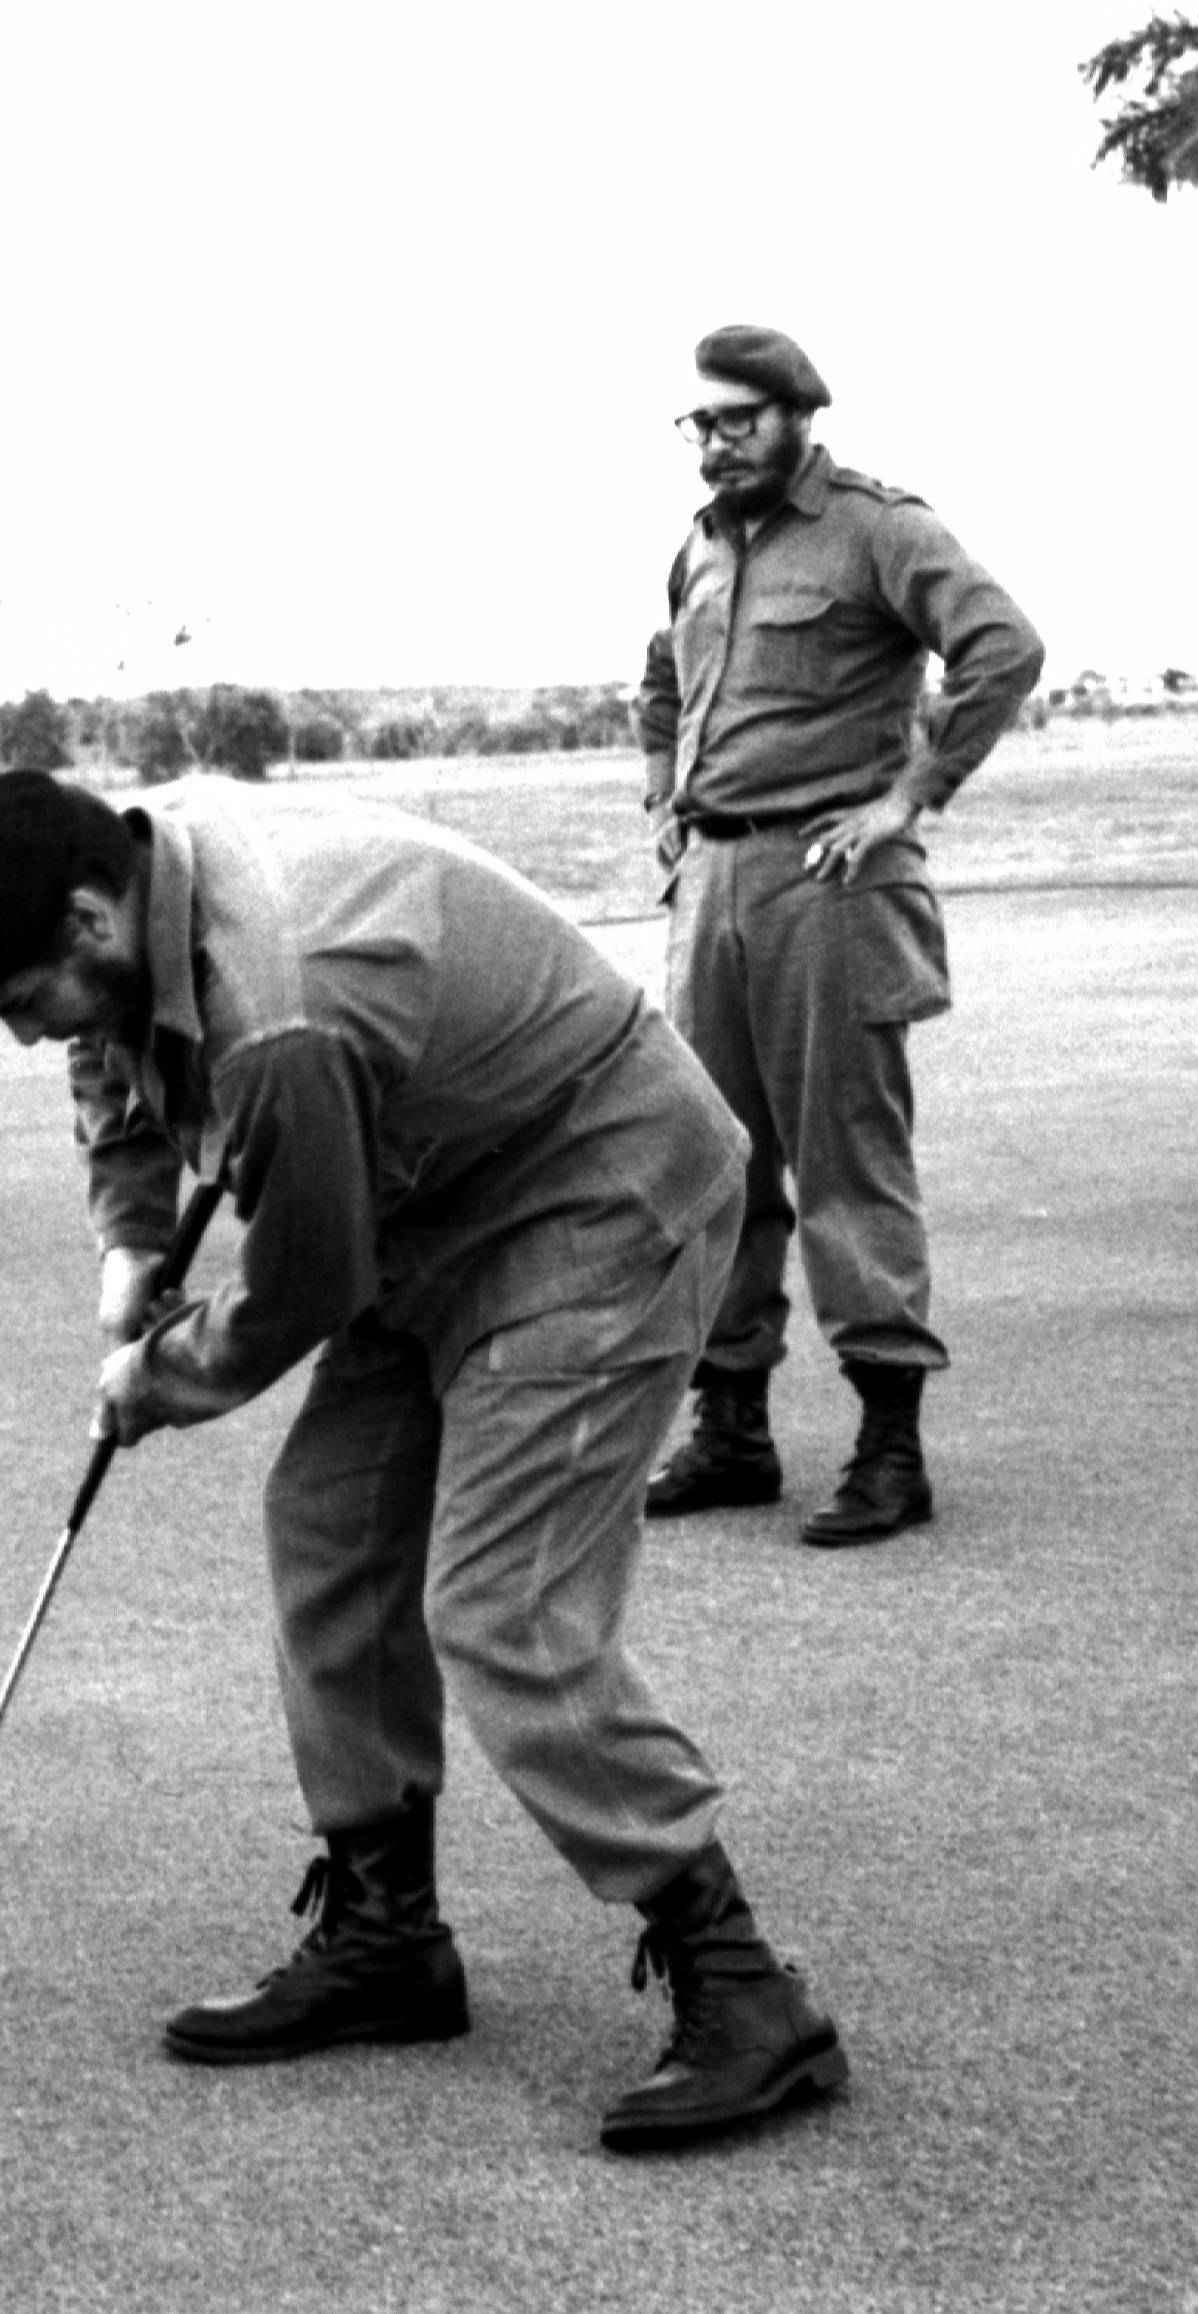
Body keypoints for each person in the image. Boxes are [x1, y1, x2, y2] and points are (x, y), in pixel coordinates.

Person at [0, 769, 849, 2153]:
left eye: (17, 997)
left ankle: (746, 1985)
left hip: (597, 1185)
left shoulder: (280, 1006)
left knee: (501, 1603)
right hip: (440, 1187)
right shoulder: (118, 868)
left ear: (91, 918)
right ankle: (389, 1933)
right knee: (327, 1521)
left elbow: (303, 1285)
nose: (25, 1033)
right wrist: (129, 1240)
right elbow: (112, 1056)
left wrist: (152, 1376)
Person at [639, 325, 1044, 1543]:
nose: (715, 444)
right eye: (699, 425)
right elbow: (662, 683)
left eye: (738, 421)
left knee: (846, 1165)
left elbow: (1002, 647)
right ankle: (734, 1428)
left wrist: (904, 800)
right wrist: (665, 800)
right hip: (711, 886)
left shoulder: (876, 528)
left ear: (798, 416)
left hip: (830, 887)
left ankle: (888, 1445)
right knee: (712, 1162)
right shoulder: (700, 548)